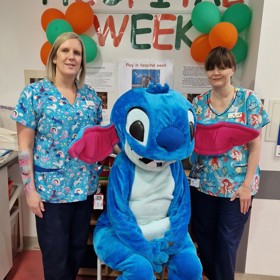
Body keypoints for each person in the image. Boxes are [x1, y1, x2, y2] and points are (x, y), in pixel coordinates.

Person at [11, 32, 103, 280]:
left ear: (82, 61)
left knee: (75, 251)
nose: (71, 57)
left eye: (76, 53)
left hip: (84, 189)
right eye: (65, 51)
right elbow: (25, 147)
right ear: (54, 57)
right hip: (50, 194)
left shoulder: (91, 97)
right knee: (55, 255)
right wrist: (30, 191)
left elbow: (97, 141)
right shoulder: (34, 94)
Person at [188, 46, 270, 280]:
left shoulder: (248, 100)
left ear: (232, 69)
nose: (216, 72)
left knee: (226, 242)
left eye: (222, 67)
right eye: (211, 67)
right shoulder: (198, 104)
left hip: (236, 188)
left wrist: (246, 186)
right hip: (203, 185)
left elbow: (255, 146)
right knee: (203, 239)